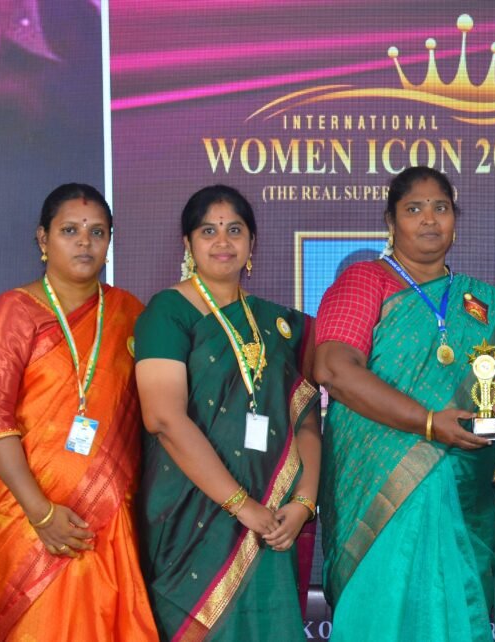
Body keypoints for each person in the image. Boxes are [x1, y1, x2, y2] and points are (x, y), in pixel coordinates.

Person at [315, 166, 495, 641]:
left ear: (455, 219)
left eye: (440, 208)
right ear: (390, 221)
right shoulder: (365, 282)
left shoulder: (482, 303)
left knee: (457, 611)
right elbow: (335, 369)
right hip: (381, 487)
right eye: (413, 209)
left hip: (466, 491)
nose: (429, 219)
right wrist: (427, 422)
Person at [0, 184, 158, 641]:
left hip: (107, 521)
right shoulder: (13, 312)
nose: (84, 242)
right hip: (24, 520)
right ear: (43, 238)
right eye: (70, 230)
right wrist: (41, 514)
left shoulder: (130, 313)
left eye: (97, 232)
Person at [134, 185, 321, 641]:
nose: (223, 242)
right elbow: (163, 419)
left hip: (271, 519)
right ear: (188, 243)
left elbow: (306, 419)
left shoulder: (281, 325)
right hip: (190, 516)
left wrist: (303, 502)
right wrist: (241, 506)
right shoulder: (168, 312)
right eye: (208, 231)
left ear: (252, 242)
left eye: (235, 230)